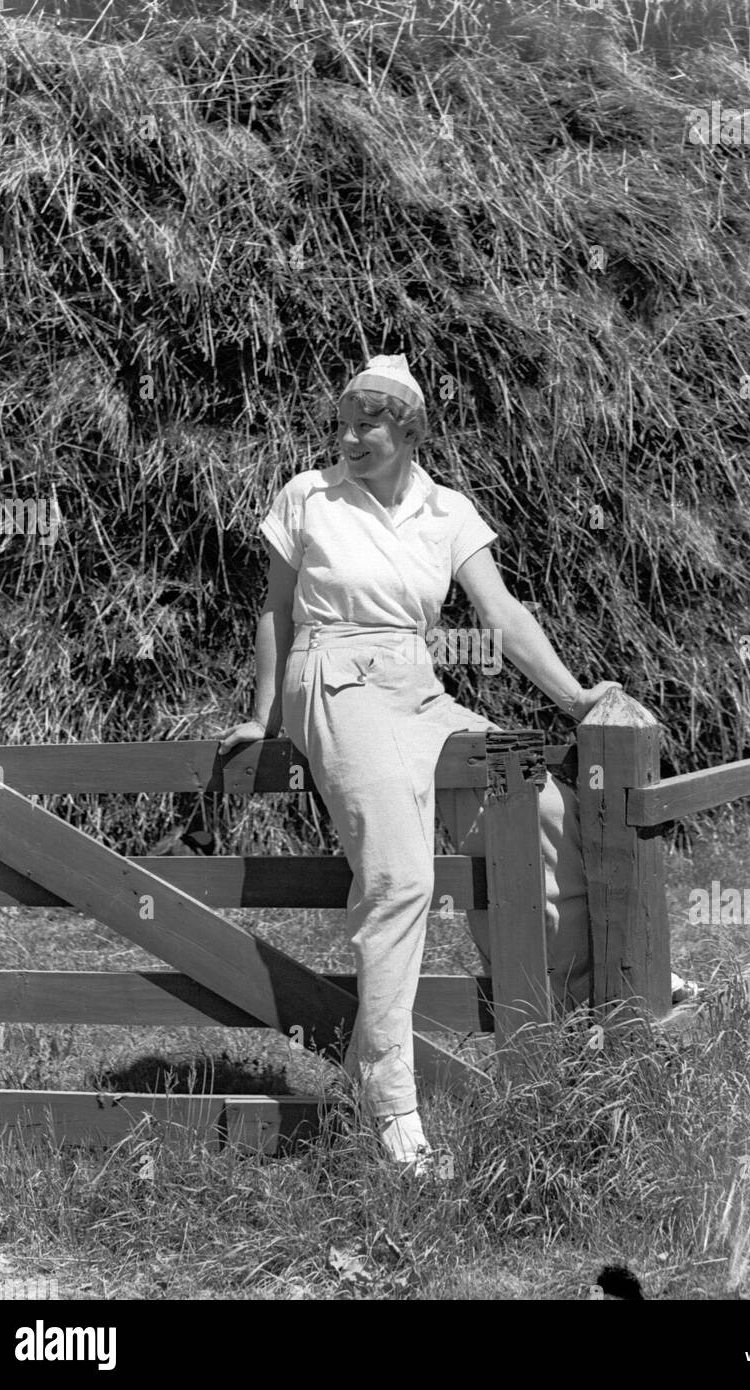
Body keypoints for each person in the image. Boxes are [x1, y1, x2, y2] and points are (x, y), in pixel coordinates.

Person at [217, 354, 622, 1172]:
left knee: (538, 802)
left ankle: (574, 1017)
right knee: (399, 880)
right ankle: (391, 1105)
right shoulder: (308, 495)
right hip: (332, 676)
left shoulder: (448, 511)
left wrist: (576, 699)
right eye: (341, 423)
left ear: (407, 431)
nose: (348, 437)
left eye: (368, 423)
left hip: (417, 683)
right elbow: (277, 608)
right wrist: (261, 715)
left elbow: (500, 614)